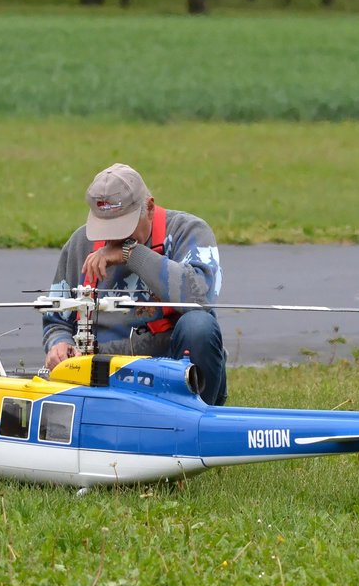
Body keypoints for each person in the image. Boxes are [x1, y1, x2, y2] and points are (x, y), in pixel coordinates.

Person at [43, 163, 227, 406]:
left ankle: (198, 413)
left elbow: (200, 299)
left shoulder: (189, 231)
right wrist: (59, 344)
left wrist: (131, 254)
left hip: (170, 372)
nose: (115, 237)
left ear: (149, 208)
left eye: (123, 227)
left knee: (199, 325)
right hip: (102, 375)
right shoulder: (80, 244)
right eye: (106, 227)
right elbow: (56, 321)